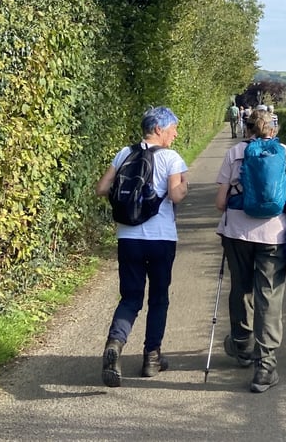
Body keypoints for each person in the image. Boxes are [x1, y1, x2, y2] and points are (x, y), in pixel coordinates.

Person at [95, 106, 189, 387]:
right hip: (161, 238)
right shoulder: (172, 158)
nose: (175, 134)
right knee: (159, 297)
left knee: (130, 297)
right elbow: (175, 195)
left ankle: (115, 343)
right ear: (159, 129)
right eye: (172, 129)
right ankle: (152, 357)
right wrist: (185, 185)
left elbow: (101, 188)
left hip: (128, 238)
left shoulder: (124, 153)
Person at [214, 109, 286, 393]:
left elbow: (219, 202)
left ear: (246, 127)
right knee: (270, 294)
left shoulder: (235, 153)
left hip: (237, 233)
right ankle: (265, 366)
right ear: (273, 129)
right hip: (274, 234)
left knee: (240, 287)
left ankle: (241, 345)